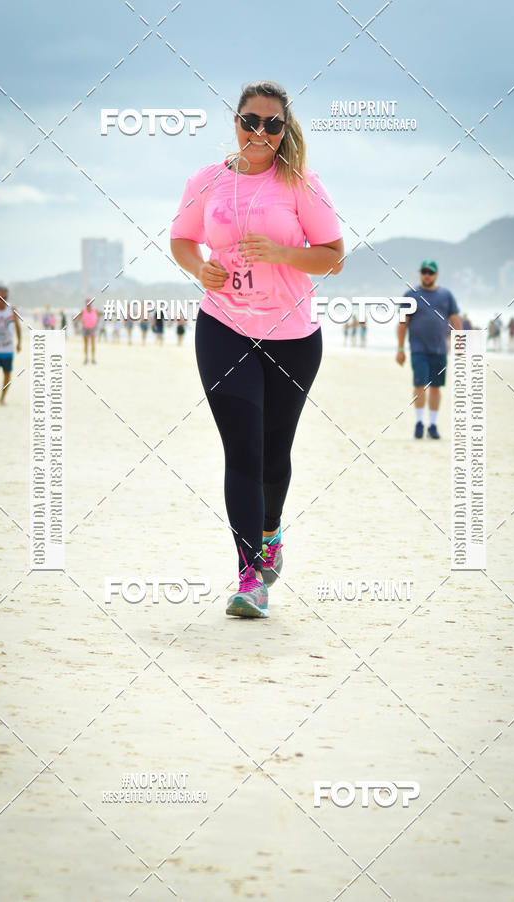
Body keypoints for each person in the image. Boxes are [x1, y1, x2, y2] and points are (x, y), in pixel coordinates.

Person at [170, 79, 344, 618]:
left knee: (274, 453)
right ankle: (250, 577)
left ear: (284, 129)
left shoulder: (301, 185)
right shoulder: (207, 181)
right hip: (224, 328)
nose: (260, 132)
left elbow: (333, 256)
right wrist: (202, 268)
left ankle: (271, 532)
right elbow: (181, 239)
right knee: (242, 449)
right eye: (251, 121)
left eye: (272, 123)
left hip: (293, 338)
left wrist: (282, 252)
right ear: (236, 121)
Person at [397, 261, 462, 439]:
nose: (427, 275)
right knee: (419, 385)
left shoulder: (446, 295)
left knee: (435, 387)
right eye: (424, 272)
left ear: (436, 274)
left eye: (430, 272)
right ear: (420, 274)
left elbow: (455, 319)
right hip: (418, 349)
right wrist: (400, 349)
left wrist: (460, 343)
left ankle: (432, 425)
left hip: (440, 349)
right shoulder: (411, 295)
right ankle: (419, 423)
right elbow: (403, 324)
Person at [79, 298, 99, 363]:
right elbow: (79, 318)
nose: (88, 304)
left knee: (93, 344)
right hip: (85, 328)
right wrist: (83, 322)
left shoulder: (94, 310)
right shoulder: (83, 310)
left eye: (89, 302)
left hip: (92, 328)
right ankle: (86, 358)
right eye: (87, 302)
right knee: (86, 344)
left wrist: (95, 324)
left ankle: (93, 358)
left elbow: (98, 317)